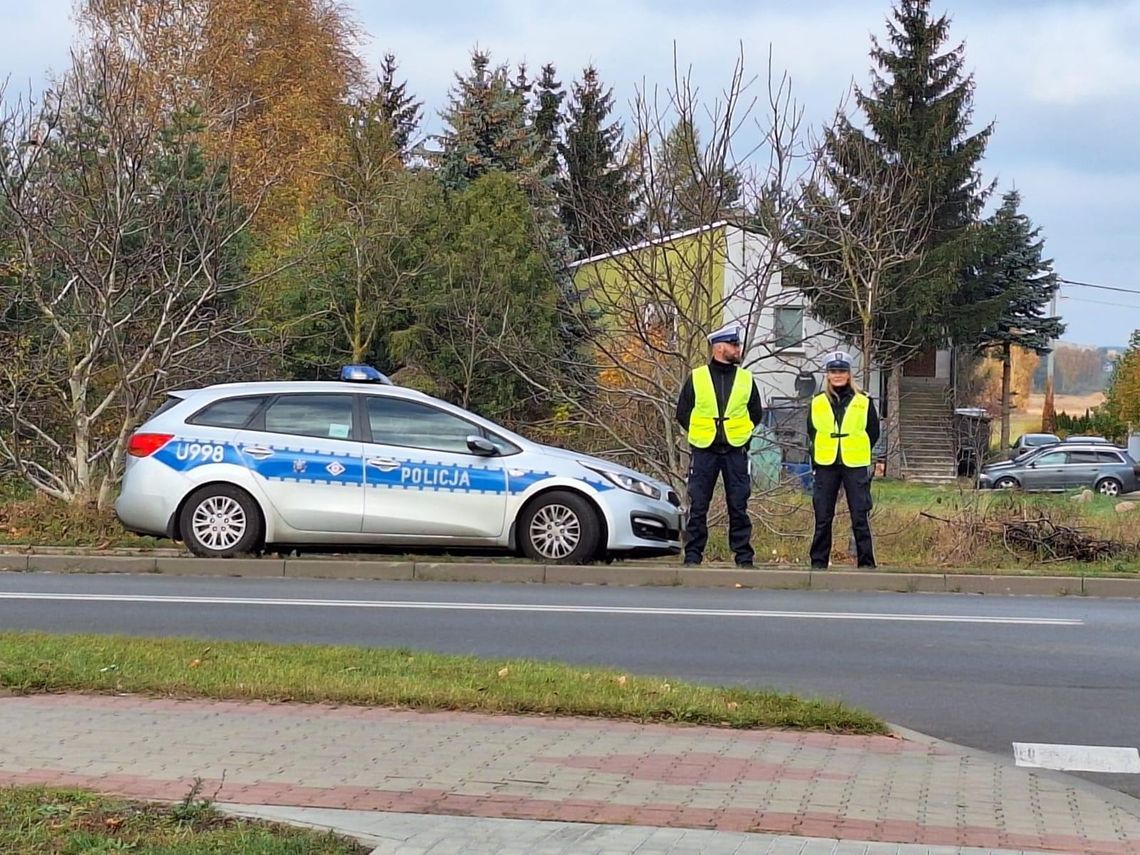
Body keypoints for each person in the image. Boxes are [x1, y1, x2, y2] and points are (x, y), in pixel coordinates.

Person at [675, 324, 765, 567]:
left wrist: (742, 434)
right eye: (734, 345)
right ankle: (693, 557)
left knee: (738, 505)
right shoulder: (697, 377)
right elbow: (683, 412)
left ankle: (744, 558)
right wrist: (702, 433)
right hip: (705, 451)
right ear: (719, 347)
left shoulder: (746, 379)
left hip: (735, 450)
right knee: (699, 505)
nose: (738, 349)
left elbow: (756, 413)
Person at [807, 350, 880, 569]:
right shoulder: (817, 402)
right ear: (827, 375)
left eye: (841, 371)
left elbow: (873, 432)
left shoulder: (864, 401)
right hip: (826, 464)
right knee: (823, 516)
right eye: (833, 371)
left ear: (849, 374)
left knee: (859, 515)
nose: (837, 375)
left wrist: (856, 448)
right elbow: (812, 432)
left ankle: (866, 563)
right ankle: (818, 563)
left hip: (854, 464)